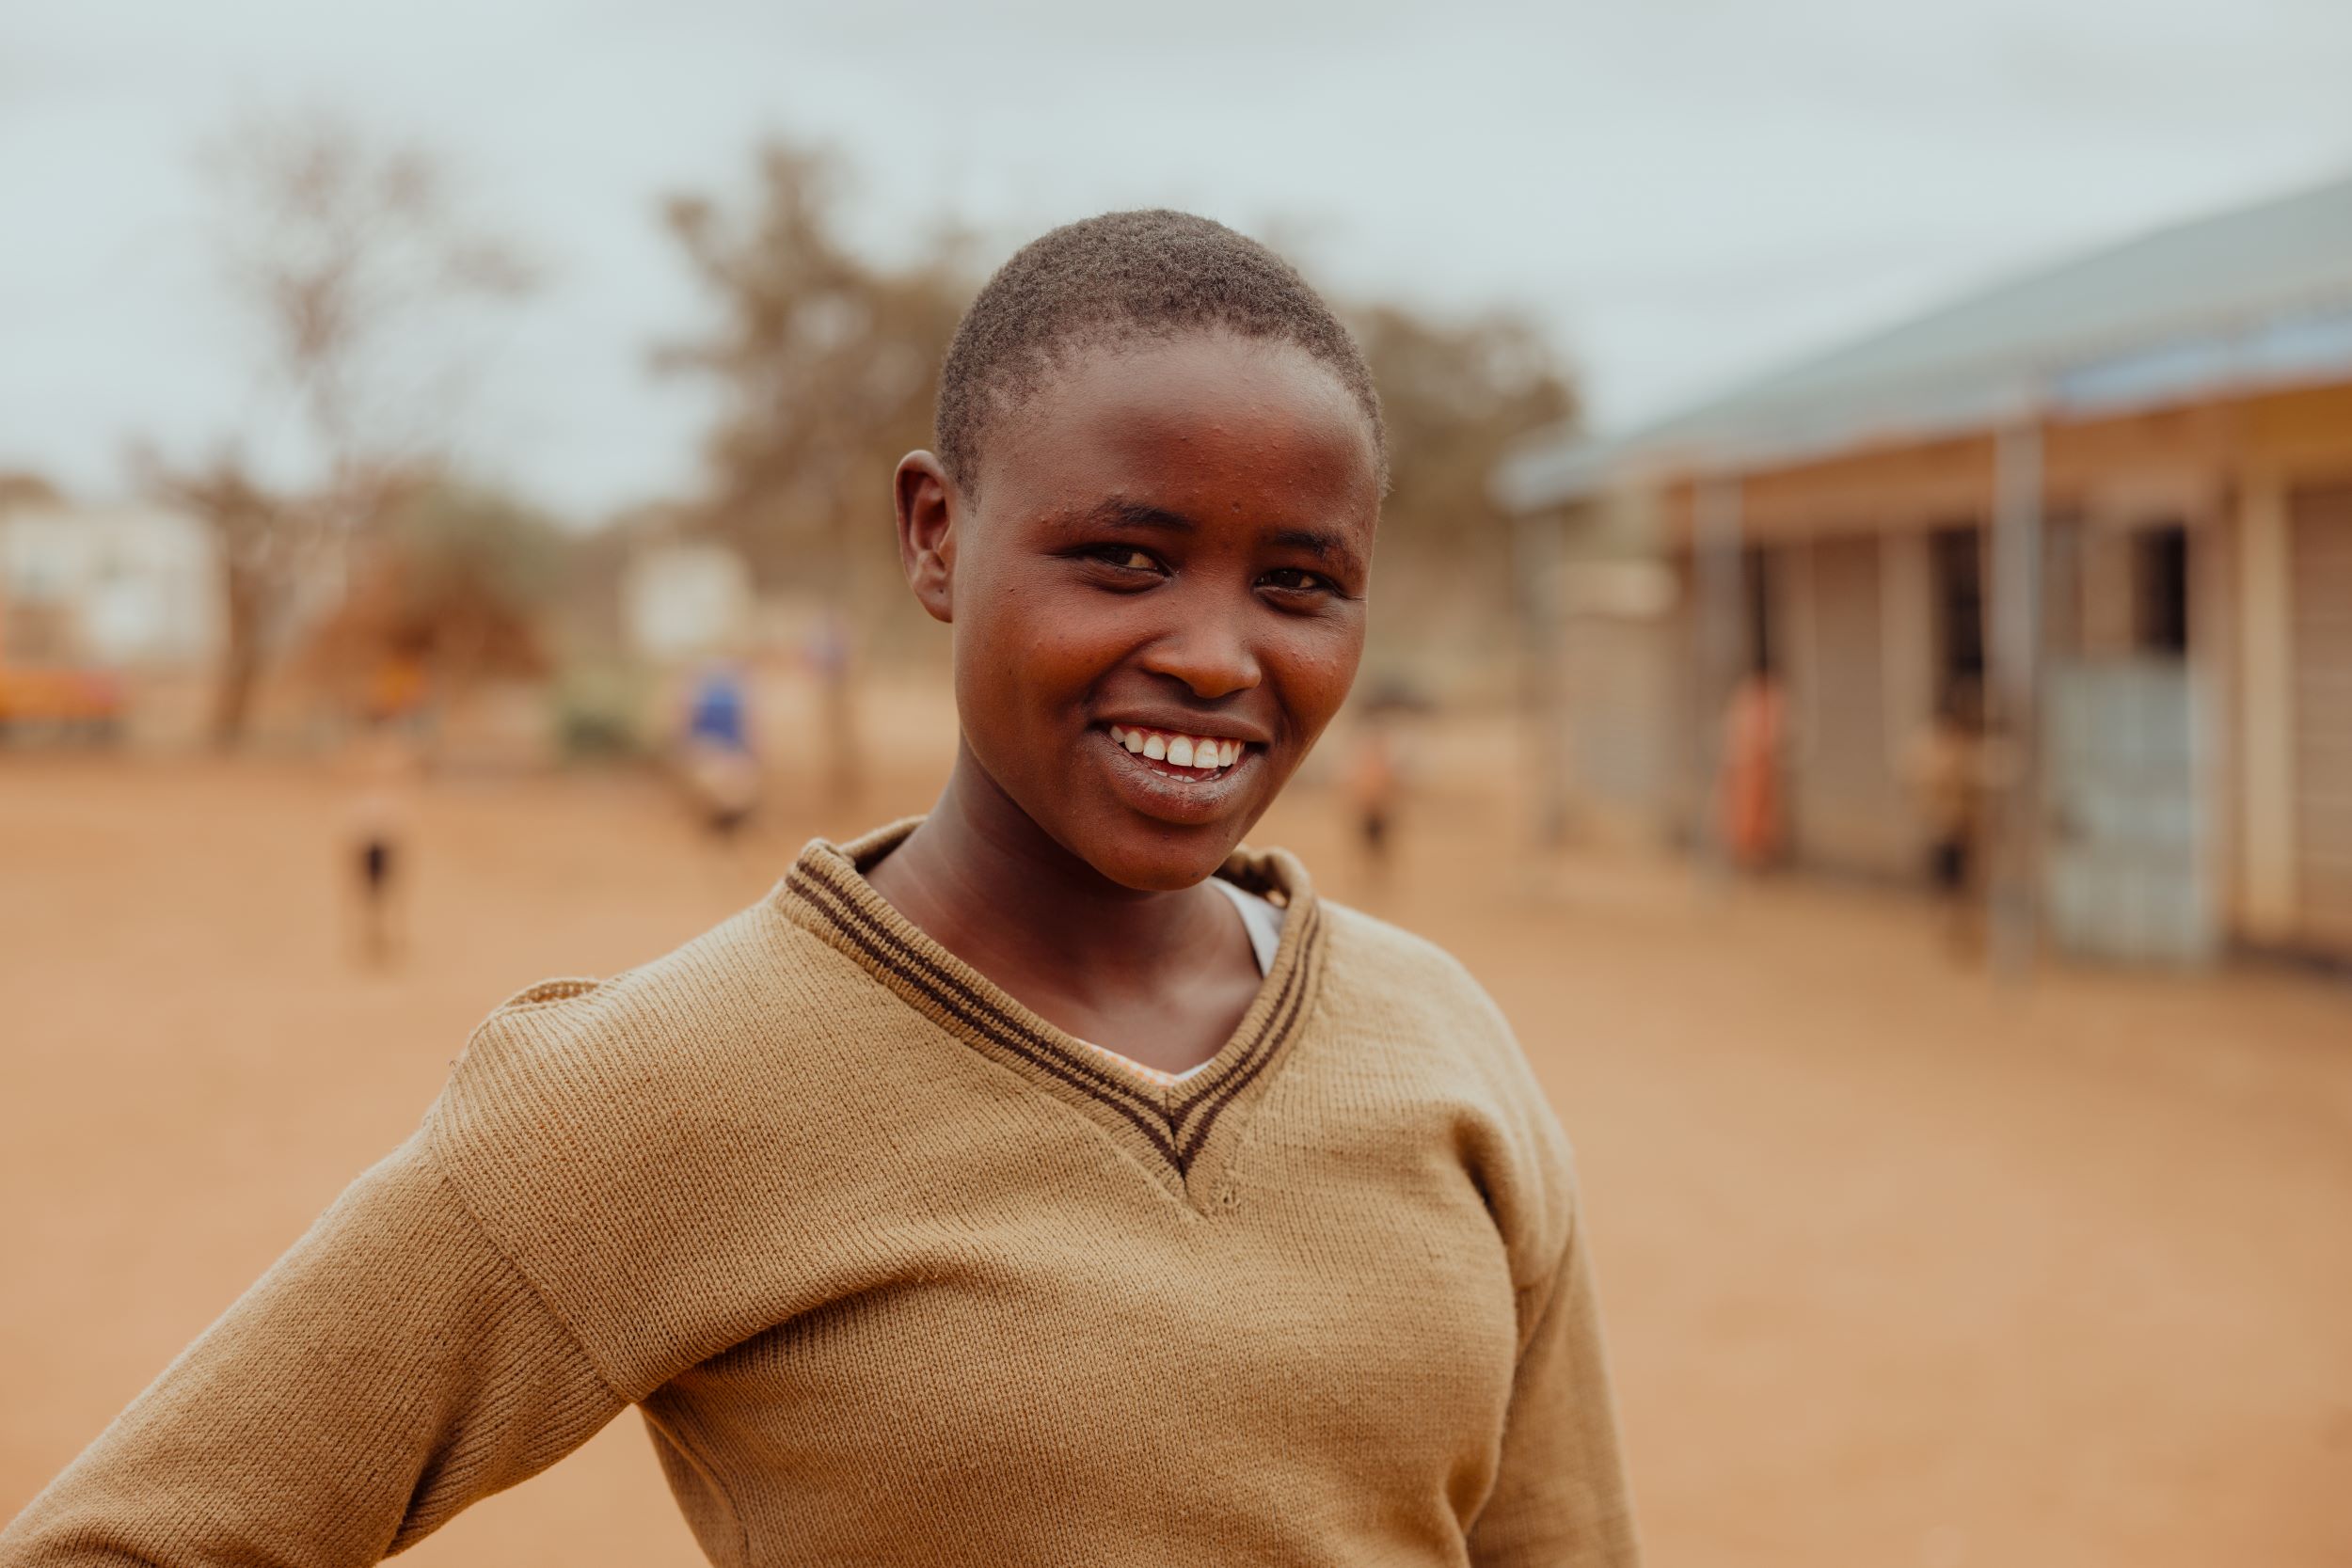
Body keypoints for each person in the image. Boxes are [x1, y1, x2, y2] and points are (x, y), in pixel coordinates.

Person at [2, 212, 1639, 1567]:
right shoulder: (665, 1088)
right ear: (938, 536)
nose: (1216, 655)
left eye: (1300, 584)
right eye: (1122, 560)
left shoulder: (1439, 1042)